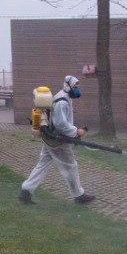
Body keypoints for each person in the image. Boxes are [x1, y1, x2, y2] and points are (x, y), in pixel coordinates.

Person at [20, 74, 95, 206]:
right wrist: (76, 132)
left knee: (42, 165)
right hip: (58, 141)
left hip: (50, 139)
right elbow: (61, 124)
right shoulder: (62, 102)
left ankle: (26, 191)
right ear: (68, 86)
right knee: (71, 167)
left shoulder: (64, 97)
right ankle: (79, 195)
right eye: (75, 86)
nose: (77, 89)